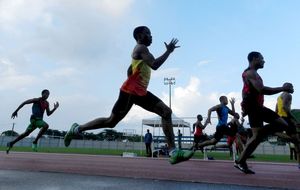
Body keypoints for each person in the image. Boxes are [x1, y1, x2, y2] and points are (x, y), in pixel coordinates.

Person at [63, 26, 194, 164]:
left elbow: (129, 70)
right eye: (148, 34)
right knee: (111, 122)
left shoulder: (139, 51)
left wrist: (134, 76)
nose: (151, 36)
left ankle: (173, 152)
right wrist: (168, 51)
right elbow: (154, 64)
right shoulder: (141, 48)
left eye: (151, 34)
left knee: (166, 112)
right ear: (139, 36)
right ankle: (77, 128)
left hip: (140, 93)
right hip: (130, 92)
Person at [235, 51, 295, 174]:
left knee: (257, 138)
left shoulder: (250, 73)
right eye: (262, 59)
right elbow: (261, 89)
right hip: (256, 108)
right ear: (255, 58)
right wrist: (283, 88)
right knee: (282, 125)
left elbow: (244, 92)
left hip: (254, 108)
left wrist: (244, 107)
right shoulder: (251, 73)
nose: (264, 61)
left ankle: (240, 161)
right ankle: (242, 159)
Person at [7, 89, 59, 153]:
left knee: (26, 133)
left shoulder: (46, 103)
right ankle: (35, 141)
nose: (47, 95)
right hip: (34, 119)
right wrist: (16, 111)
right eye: (46, 94)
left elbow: (48, 114)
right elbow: (24, 102)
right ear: (42, 94)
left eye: (48, 94)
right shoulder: (36, 100)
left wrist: (54, 108)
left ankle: (12, 143)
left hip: (39, 120)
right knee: (46, 126)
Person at [275, 92, 300, 165]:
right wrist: (293, 119)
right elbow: (284, 107)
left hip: (280, 118)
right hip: (286, 118)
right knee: (296, 141)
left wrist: (276, 119)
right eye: (291, 86)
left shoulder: (279, 97)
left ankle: (299, 164)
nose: (293, 88)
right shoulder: (288, 95)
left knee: (274, 132)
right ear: (287, 87)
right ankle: (299, 164)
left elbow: (276, 109)